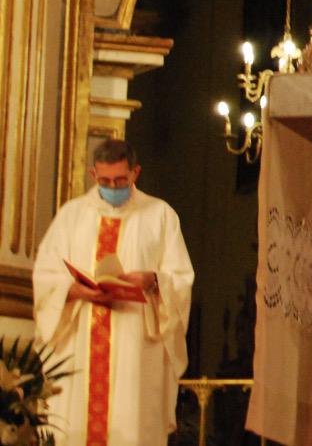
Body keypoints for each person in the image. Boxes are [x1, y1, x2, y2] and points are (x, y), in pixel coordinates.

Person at [32, 139, 195, 446]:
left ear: (135, 173)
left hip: (135, 346)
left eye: (120, 180)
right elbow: (46, 274)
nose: (112, 186)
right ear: (93, 175)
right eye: (105, 181)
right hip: (79, 342)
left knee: (130, 423)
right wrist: (76, 290)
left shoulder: (160, 215)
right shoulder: (72, 215)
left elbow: (181, 278)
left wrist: (152, 279)